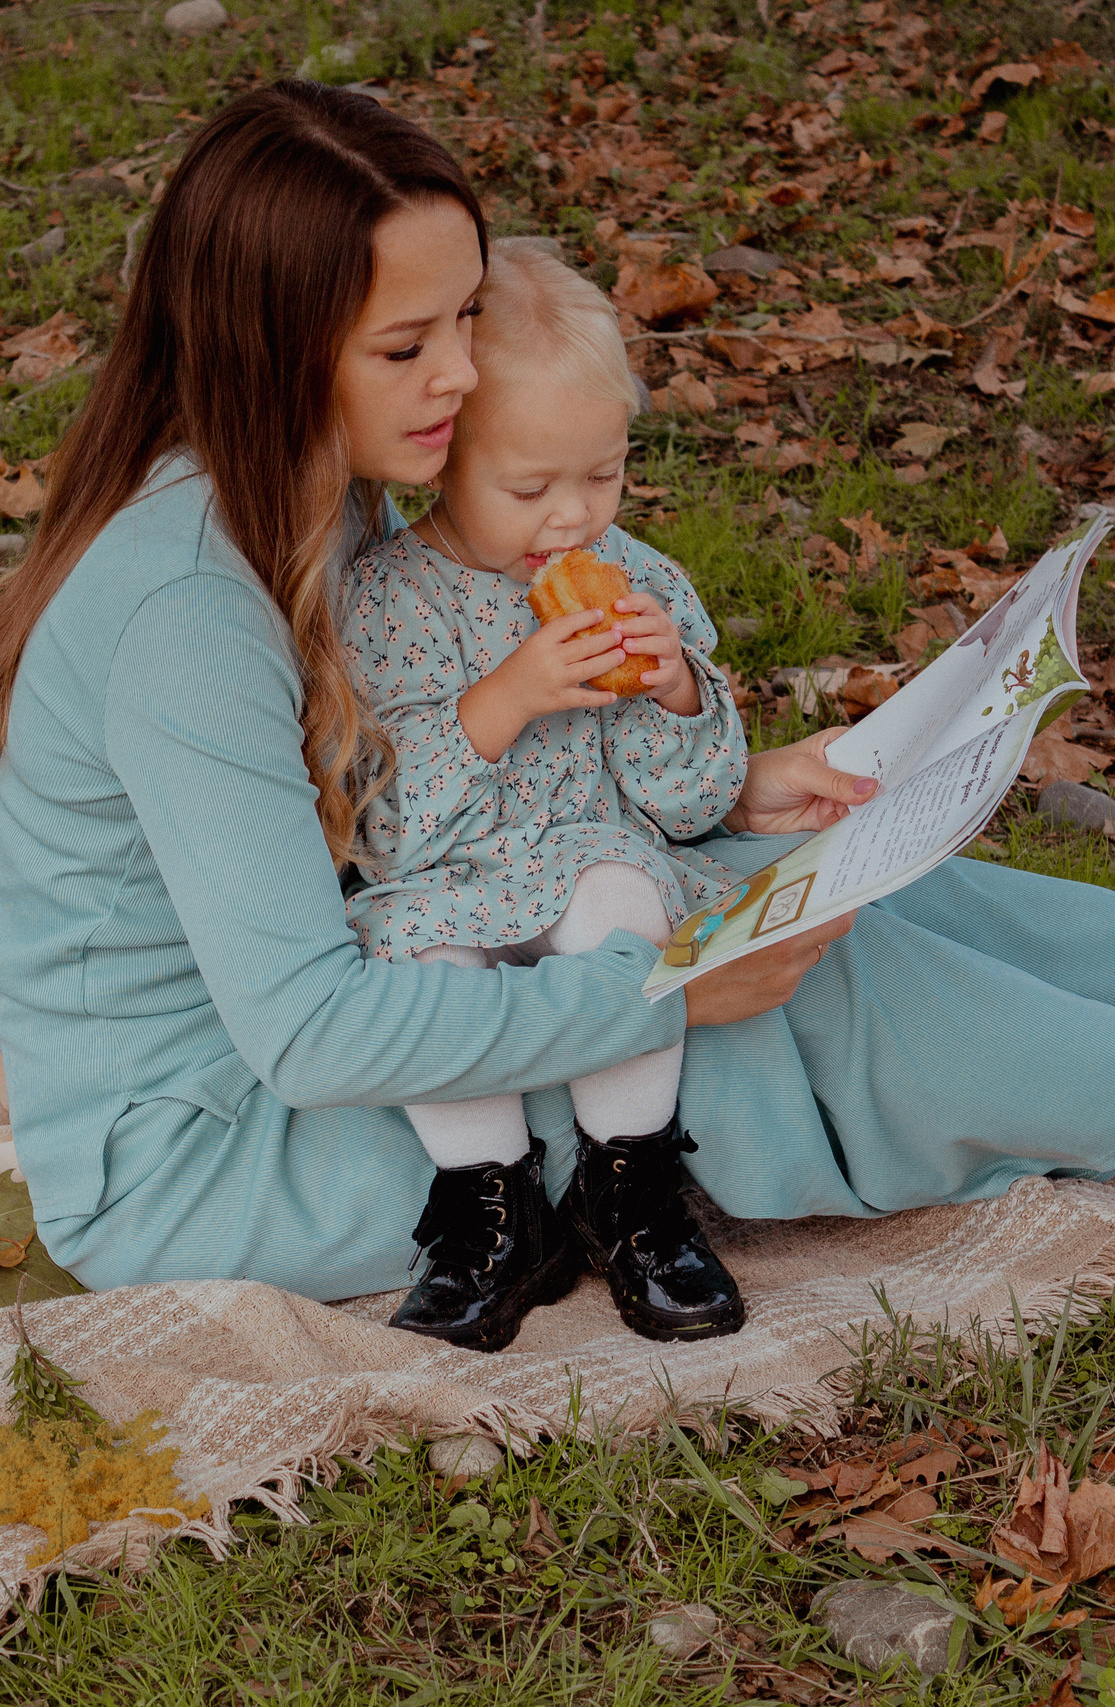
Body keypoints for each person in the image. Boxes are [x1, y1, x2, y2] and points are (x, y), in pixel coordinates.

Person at [0, 80, 1115, 1326]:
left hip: (360, 973)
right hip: (211, 1146)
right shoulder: (188, 607)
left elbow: (403, 790)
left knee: (798, 878)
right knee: (780, 996)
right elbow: (310, 1031)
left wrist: (729, 791)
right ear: (273, 347)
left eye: (465, 319)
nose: (461, 374)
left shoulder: (337, 491)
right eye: (408, 345)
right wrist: (662, 996)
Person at [343, 238, 861, 1349]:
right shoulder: (386, 602)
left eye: (604, 474)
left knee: (622, 897)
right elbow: (384, 827)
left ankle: (630, 1190)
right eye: (530, 488)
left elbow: (688, 806)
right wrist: (506, 698)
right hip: (443, 882)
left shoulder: (641, 582)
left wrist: (676, 689)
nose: (573, 518)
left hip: (587, 854)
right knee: (416, 963)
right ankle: (489, 1212)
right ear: (439, 459)